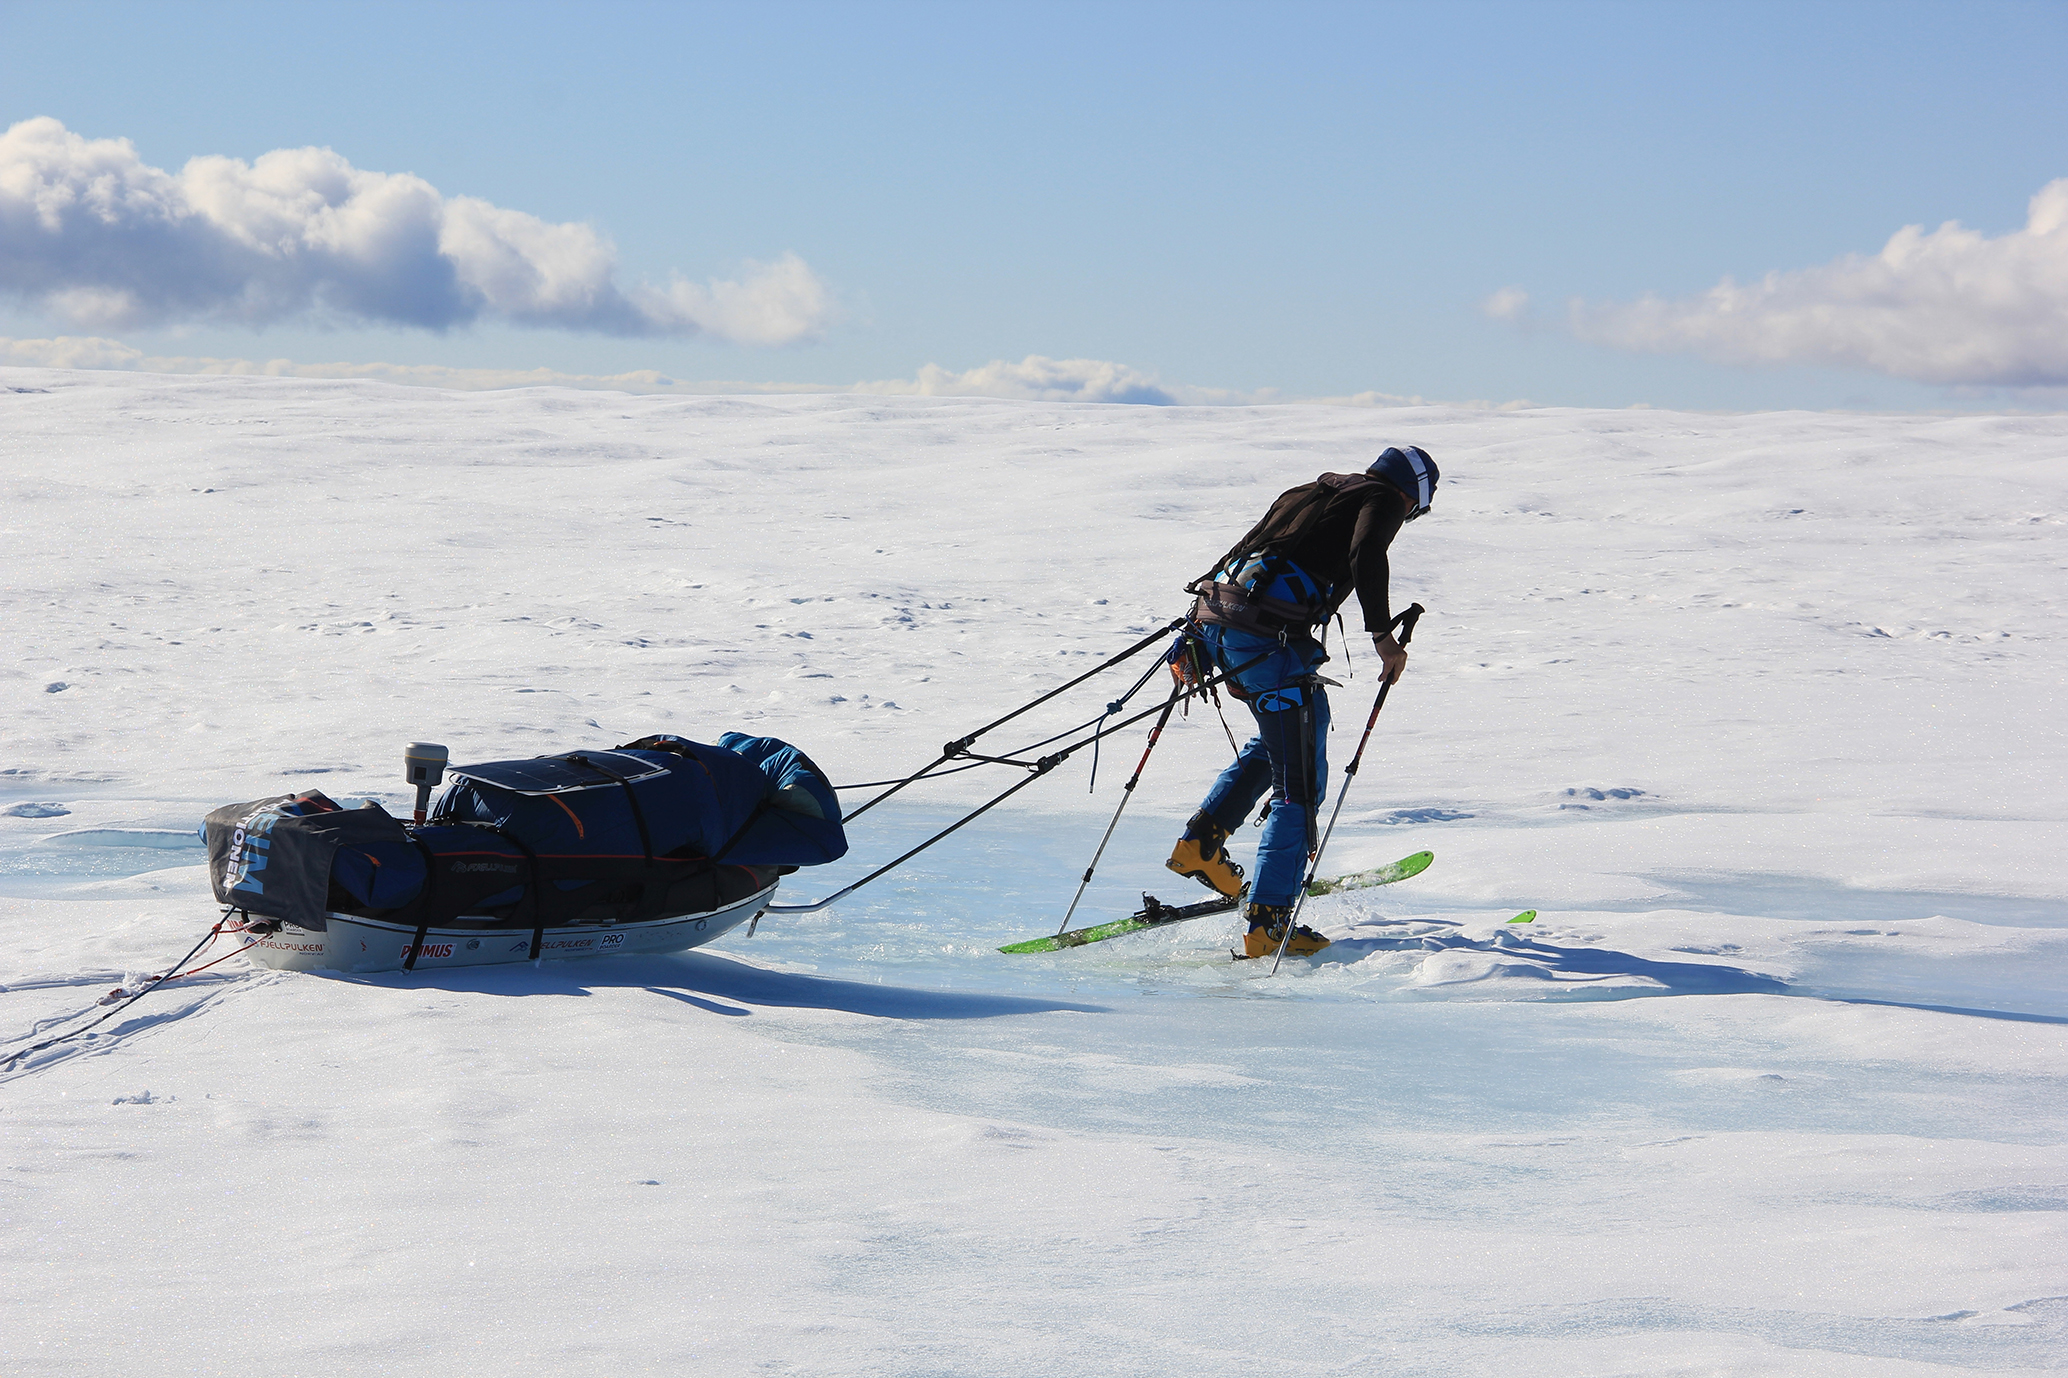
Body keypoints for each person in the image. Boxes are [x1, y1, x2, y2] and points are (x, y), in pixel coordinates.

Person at [1165, 445, 1437, 958]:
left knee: (1286, 740)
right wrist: (1383, 637)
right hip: (1264, 639)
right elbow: (1366, 553)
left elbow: (1246, 548)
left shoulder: (1313, 491)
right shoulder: (1382, 499)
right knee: (1300, 781)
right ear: (1414, 494)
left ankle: (1200, 845)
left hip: (1216, 627)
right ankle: (1268, 923)